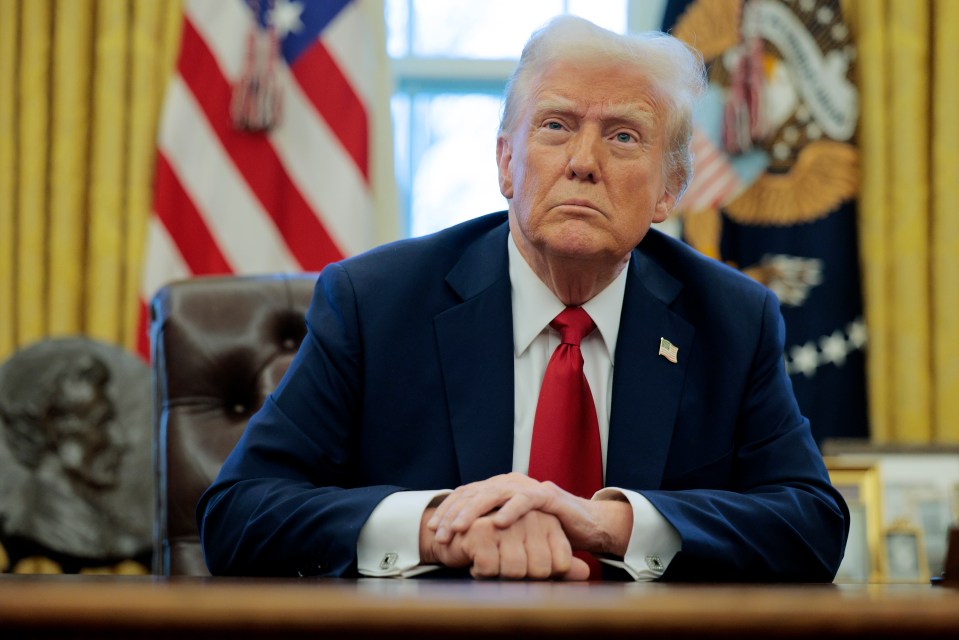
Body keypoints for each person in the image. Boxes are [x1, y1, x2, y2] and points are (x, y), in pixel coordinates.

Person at [197, 16, 848, 582]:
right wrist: (440, 528)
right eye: (555, 126)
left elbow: (809, 523)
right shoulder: (375, 302)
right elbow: (239, 513)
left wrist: (610, 523)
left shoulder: (730, 318)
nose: (583, 161)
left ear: (668, 190)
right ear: (506, 162)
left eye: (623, 136)